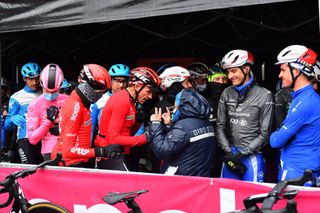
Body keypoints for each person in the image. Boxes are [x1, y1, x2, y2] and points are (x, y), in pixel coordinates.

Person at [216, 49, 274, 182]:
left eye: (234, 71)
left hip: (251, 157)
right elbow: (219, 126)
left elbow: (265, 134)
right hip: (230, 155)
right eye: (228, 72)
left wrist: (241, 154)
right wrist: (229, 154)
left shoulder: (265, 94)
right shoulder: (226, 93)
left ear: (246, 69)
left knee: (251, 198)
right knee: (227, 198)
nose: (230, 76)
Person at [51, 64, 123, 168]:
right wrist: (101, 151)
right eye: (100, 90)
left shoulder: (82, 101)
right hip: (69, 164)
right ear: (87, 85)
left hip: (78, 161)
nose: (101, 94)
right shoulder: (76, 107)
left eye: (104, 92)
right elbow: (68, 151)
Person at [270, 45, 320, 186]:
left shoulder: (305, 102)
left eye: (283, 70)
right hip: (304, 168)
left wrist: (277, 133)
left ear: (296, 71)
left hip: (297, 172)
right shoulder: (303, 96)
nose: (280, 75)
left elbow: (275, 141)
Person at [95, 67, 161, 171]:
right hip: (111, 152)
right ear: (137, 85)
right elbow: (114, 138)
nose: (151, 96)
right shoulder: (123, 101)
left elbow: (125, 131)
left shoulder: (130, 100)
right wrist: (144, 138)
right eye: (148, 91)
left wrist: (138, 123)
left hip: (119, 151)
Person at [149, 89, 215, 177]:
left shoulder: (183, 127)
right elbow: (183, 144)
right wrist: (169, 125)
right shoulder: (206, 124)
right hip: (200, 177)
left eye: (176, 107)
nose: (174, 110)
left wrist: (156, 124)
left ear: (185, 107)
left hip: (182, 180)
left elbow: (162, 151)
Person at [27, 64, 68, 161]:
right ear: (41, 84)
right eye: (47, 91)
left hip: (70, 150)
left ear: (60, 85)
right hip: (49, 153)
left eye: (54, 92)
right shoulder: (34, 105)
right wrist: (48, 122)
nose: (50, 95)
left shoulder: (69, 100)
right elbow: (32, 139)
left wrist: (63, 129)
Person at [5, 62, 43, 164]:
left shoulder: (45, 93)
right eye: (30, 79)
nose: (34, 82)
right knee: (29, 171)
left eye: (37, 78)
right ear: (24, 79)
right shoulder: (16, 97)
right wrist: (13, 119)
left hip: (44, 139)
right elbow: (6, 126)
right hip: (25, 139)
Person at [91, 64, 130, 144]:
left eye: (124, 81)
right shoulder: (99, 101)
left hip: (126, 144)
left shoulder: (133, 101)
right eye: (118, 81)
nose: (121, 85)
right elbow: (90, 129)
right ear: (110, 81)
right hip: (105, 145)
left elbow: (139, 129)